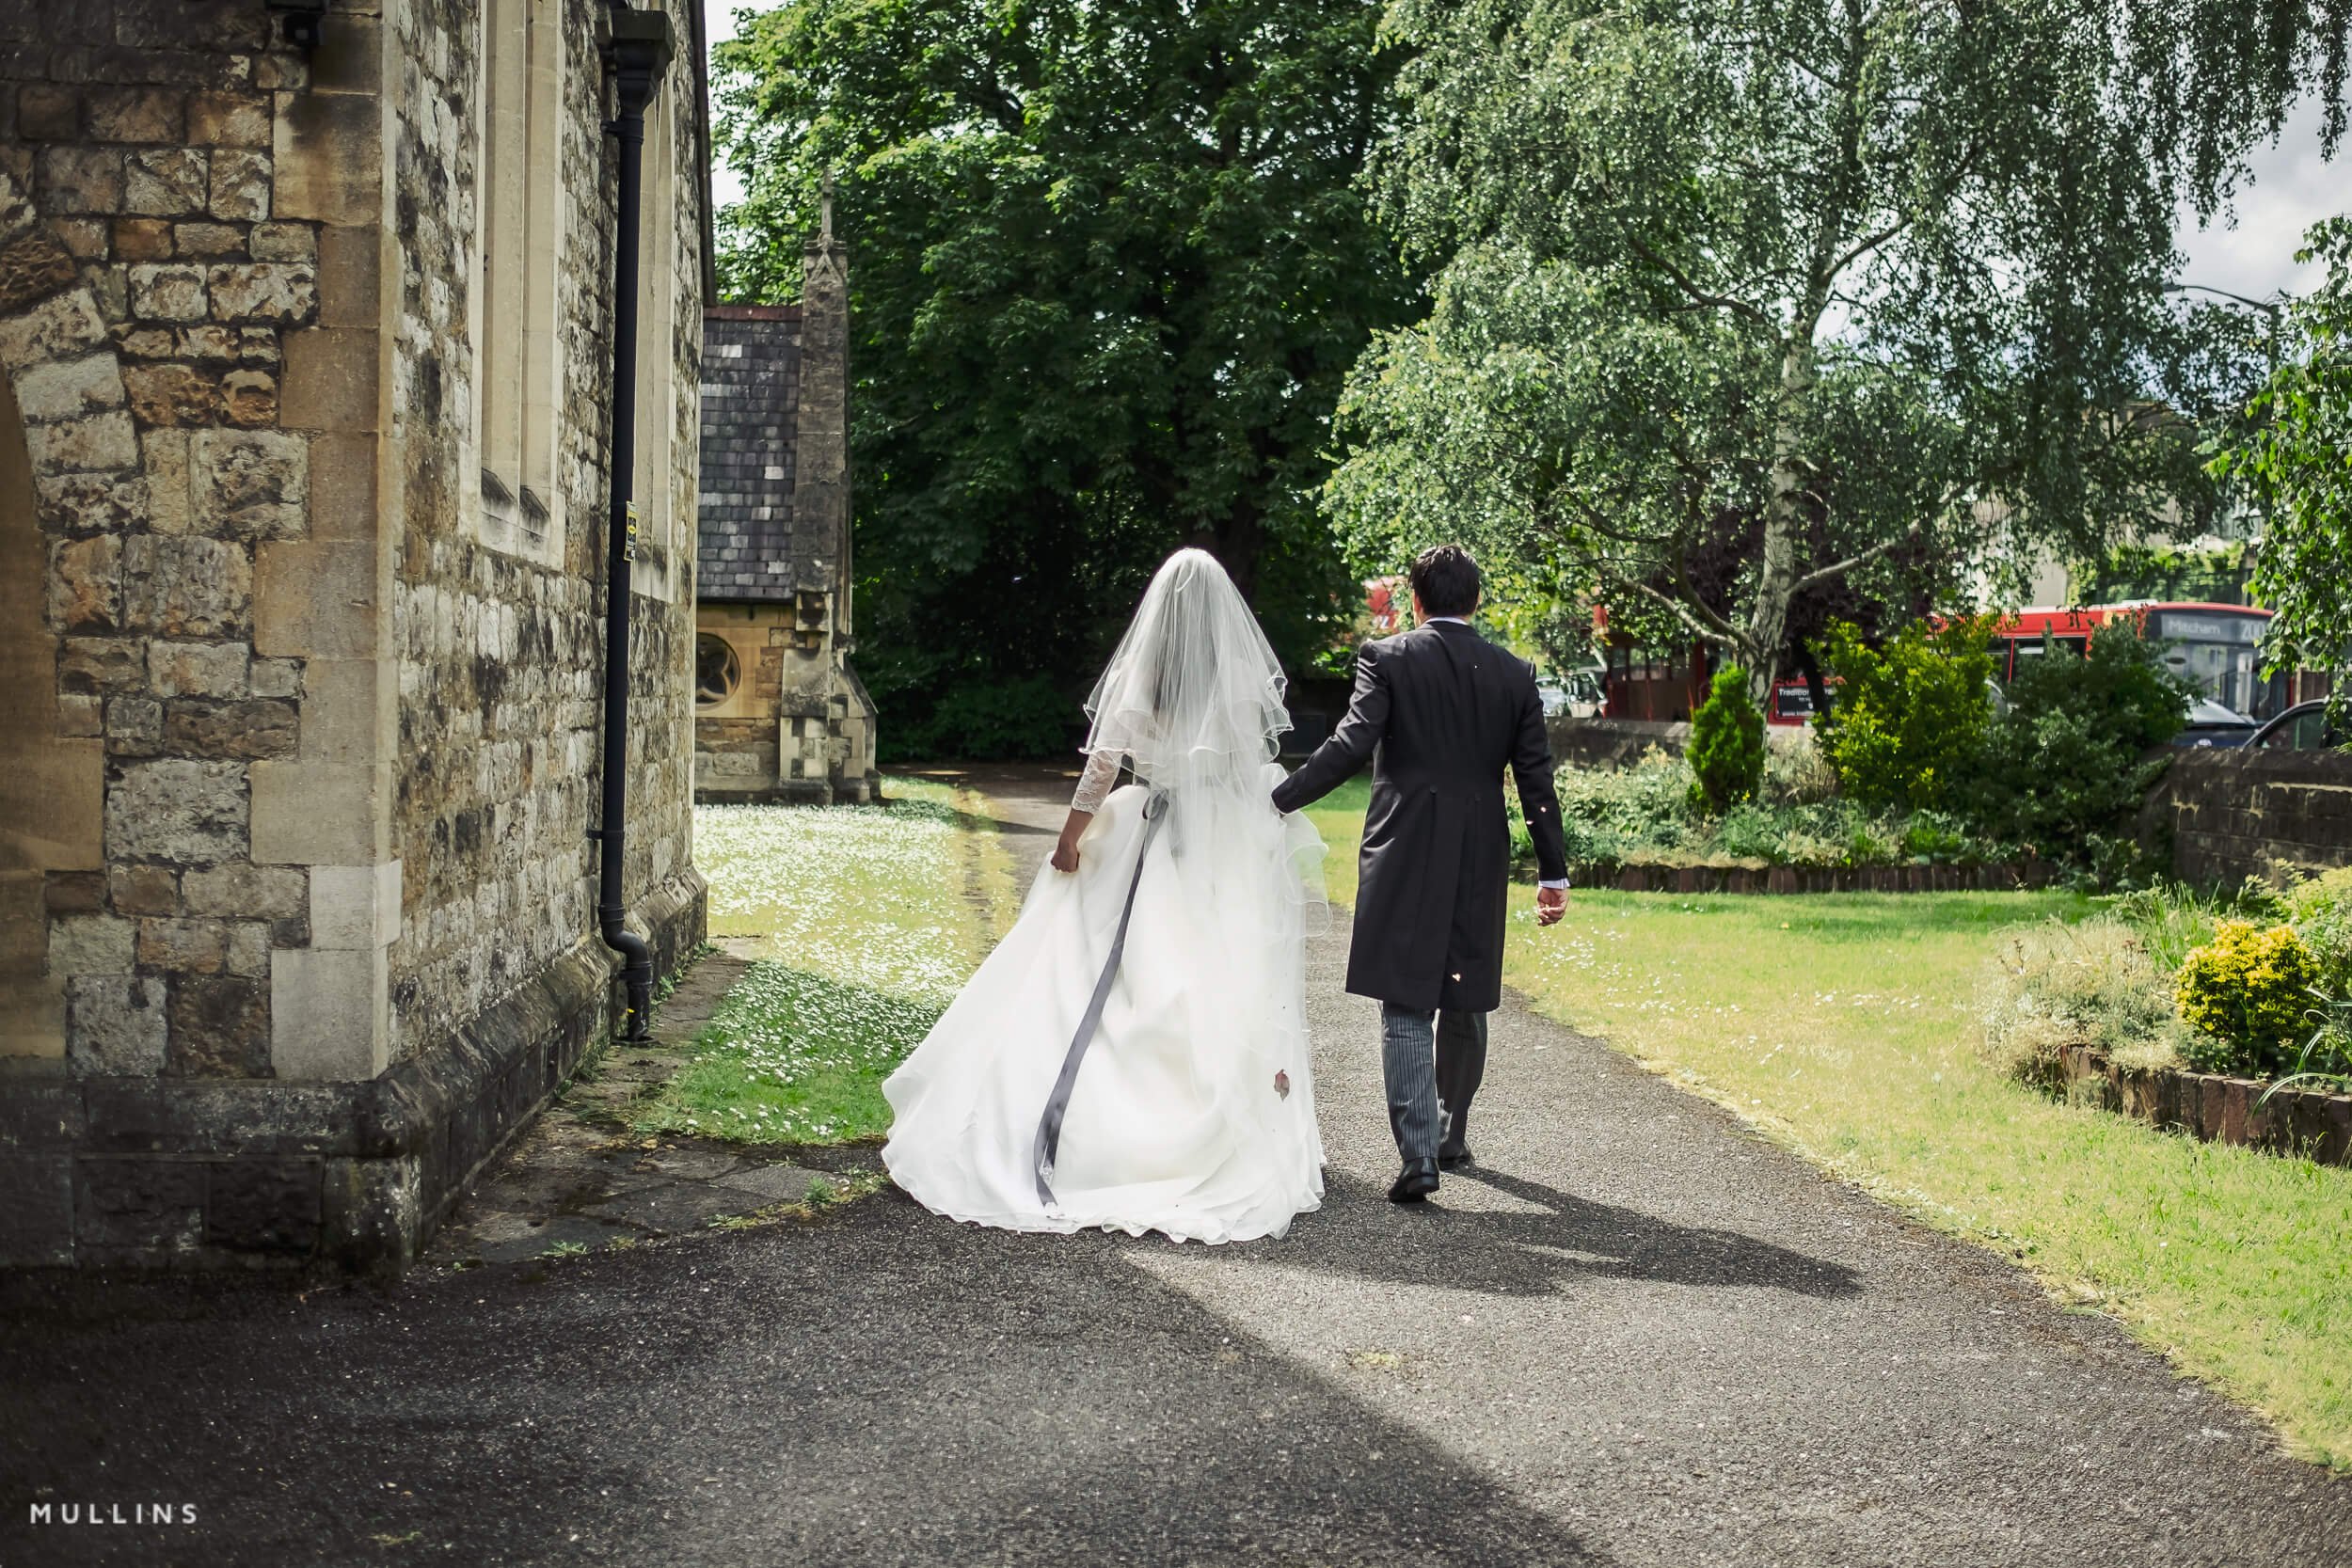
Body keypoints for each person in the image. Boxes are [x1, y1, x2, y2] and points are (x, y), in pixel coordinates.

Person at [882, 549, 1327, 1244]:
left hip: (1146, 831)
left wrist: (1070, 834)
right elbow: (1251, 764)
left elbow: (1104, 763)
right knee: (1215, 975)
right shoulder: (1239, 676)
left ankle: (1094, 1130)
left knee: (1105, 973)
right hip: (1221, 842)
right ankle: (1218, 1131)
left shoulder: (1146, 667)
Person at [1270, 544, 1568, 1203]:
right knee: (1466, 991)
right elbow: (1535, 779)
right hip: (1479, 851)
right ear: (1477, 601)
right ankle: (1451, 1132)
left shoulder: (1388, 657)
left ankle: (1418, 1152)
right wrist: (1554, 871)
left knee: (1406, 998)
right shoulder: (1514, 673)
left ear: (1416, 600)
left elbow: (1350, 743)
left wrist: (1279, 797)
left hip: (1403, 843)